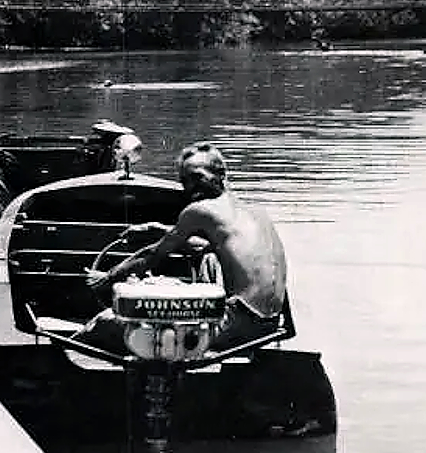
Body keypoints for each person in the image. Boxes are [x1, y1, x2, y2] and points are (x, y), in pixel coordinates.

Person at [85, 142, 289, 353]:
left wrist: (107, 278)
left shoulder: (199, 210)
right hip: (269, 325)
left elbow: (152, 255)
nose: (190, 186)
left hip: (235, 323)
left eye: (197, 177)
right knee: (209, 260)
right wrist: (160, 230)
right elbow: (210, 248)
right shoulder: (257, 211)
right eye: (184, 181)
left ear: (221, 174)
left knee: (105, 322)